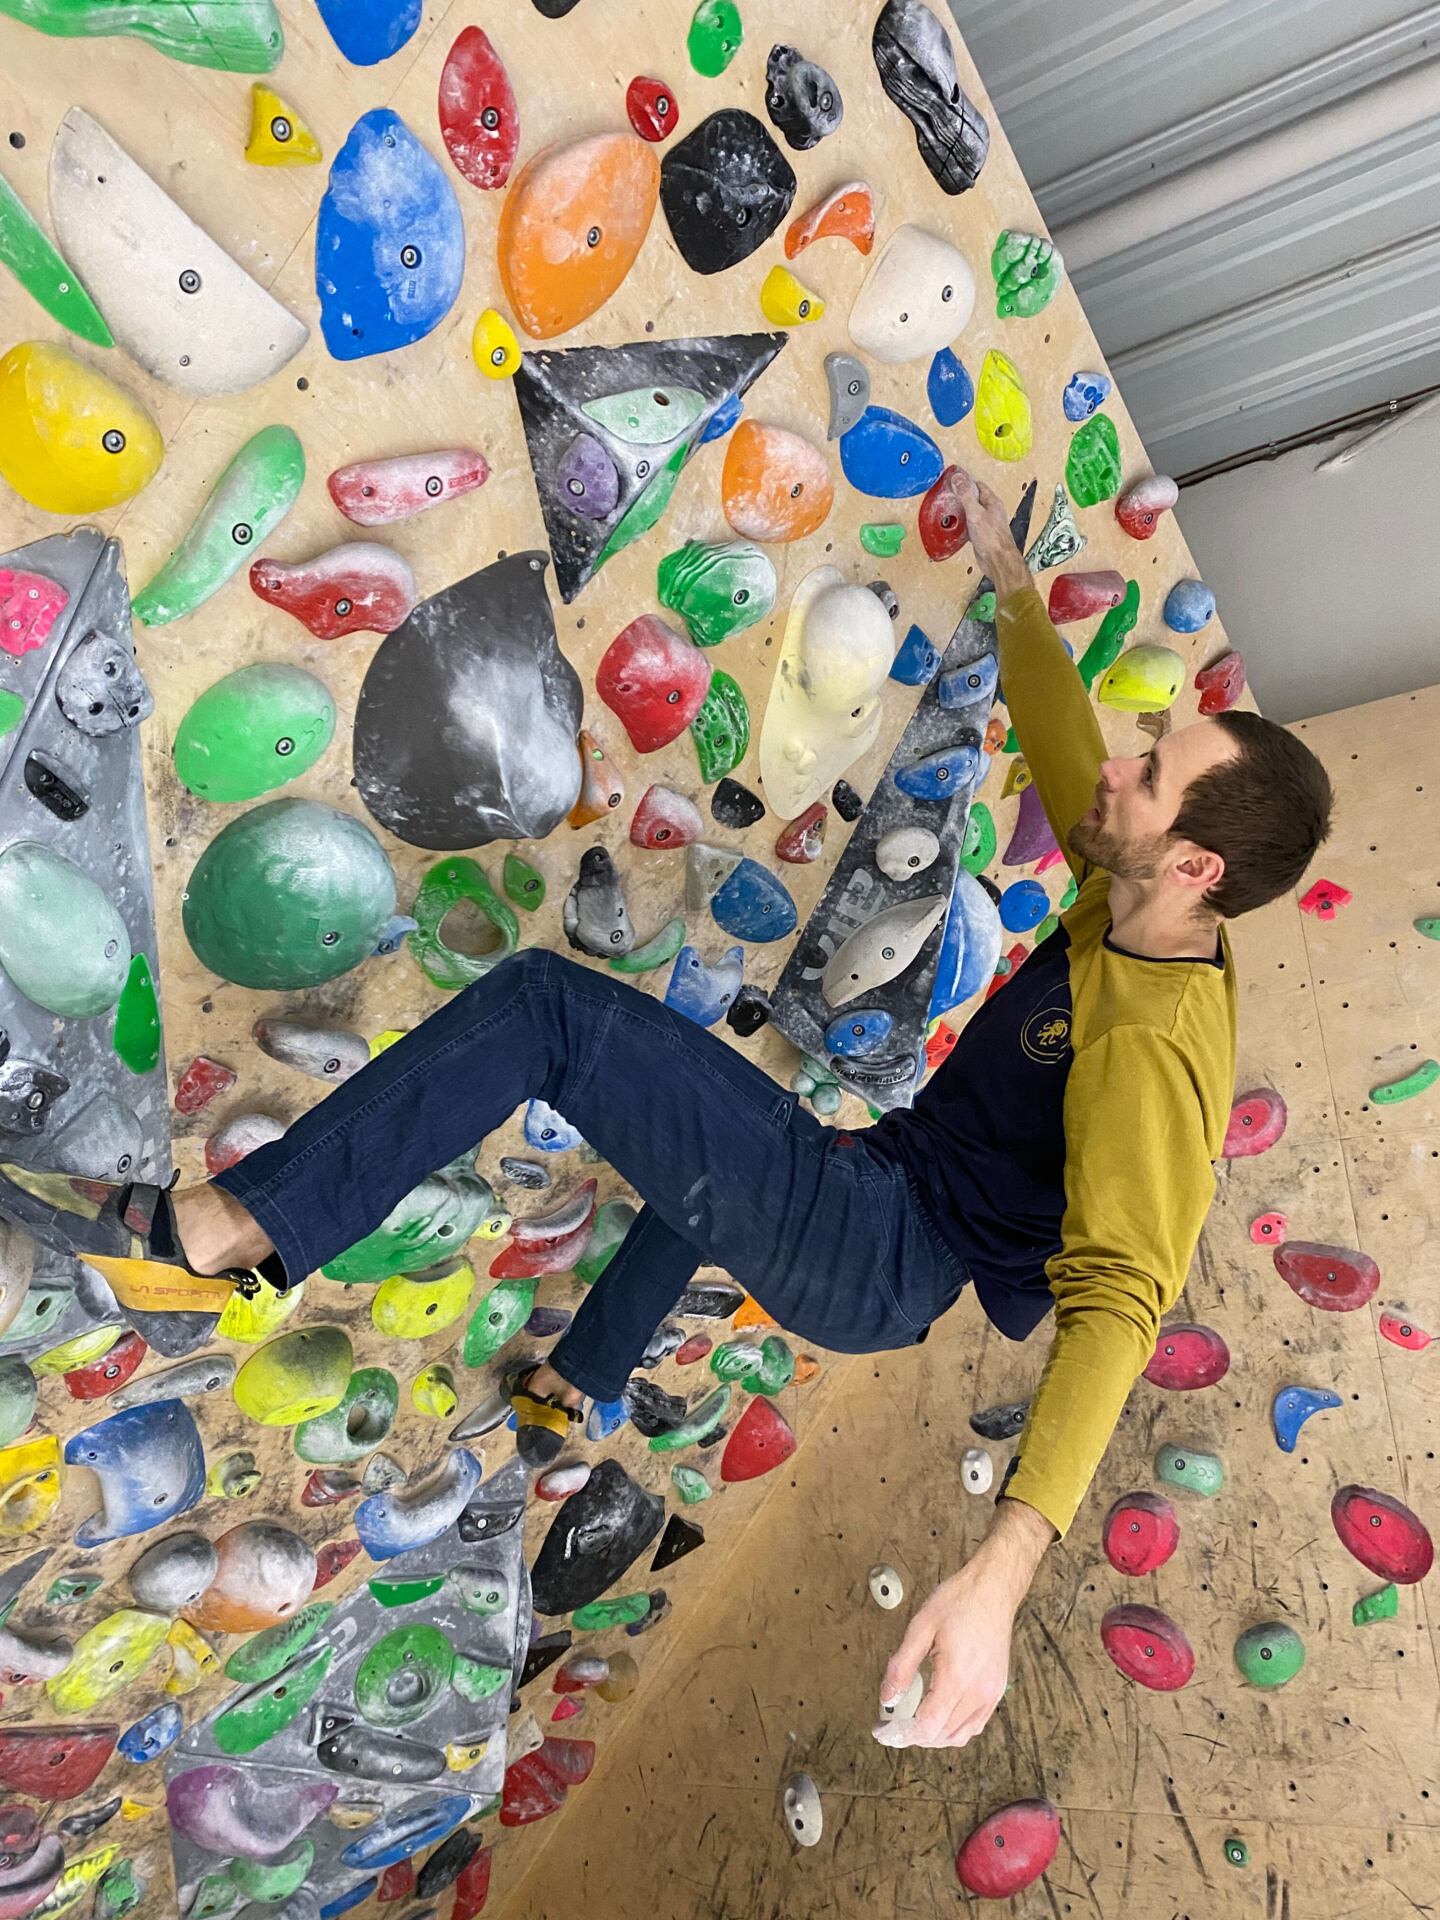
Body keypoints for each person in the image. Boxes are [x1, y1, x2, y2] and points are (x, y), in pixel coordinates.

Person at [1, 469, 1333, 1753]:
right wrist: (1015, 592)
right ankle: (579, 1382)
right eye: (1149, 748)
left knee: (550, 1014)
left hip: (877, 1247)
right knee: (708, 1148)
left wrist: (1000, 1574)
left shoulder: (1159, 1049)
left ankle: (233, 1227)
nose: (1121, 768)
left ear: (1194, 864)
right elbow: (1069, 752)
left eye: (1151, 774)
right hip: (886, 1202)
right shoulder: (1145, 888)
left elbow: (1122, 1305)